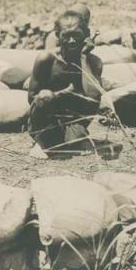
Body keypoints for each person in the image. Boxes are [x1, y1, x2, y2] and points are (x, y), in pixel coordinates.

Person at [28, 10, 103, 159]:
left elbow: (94, 99)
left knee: (73, 143)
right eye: (66, 36)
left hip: (74, 120)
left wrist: (83, 58)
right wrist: (61, 93)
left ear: (86, 34)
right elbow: (33, 98)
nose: (72, 41)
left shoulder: (93, 62)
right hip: (46, 121)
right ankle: (42, 142)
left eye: (76, 35)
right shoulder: (46, 59)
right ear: (57, 35)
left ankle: (75, 137)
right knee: (45, 96)